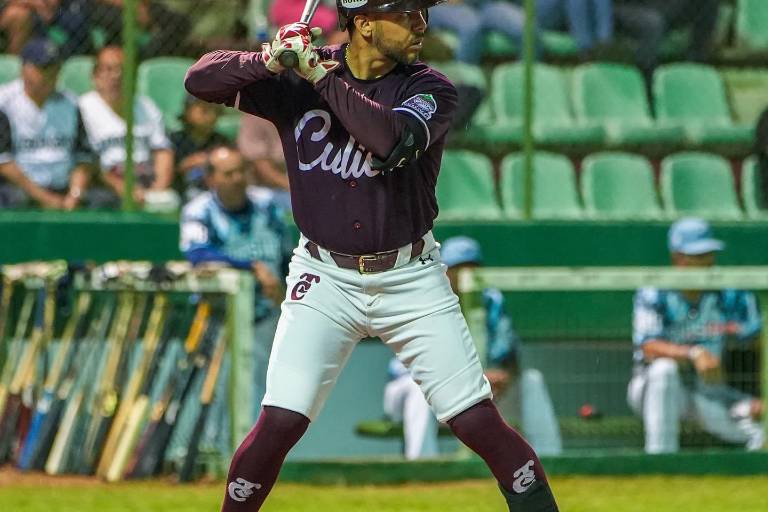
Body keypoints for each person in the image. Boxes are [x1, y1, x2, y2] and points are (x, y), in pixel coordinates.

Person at [185, 0, 559, 510]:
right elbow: (199, 80)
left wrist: (318, 76)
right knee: (280, 422)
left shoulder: (430, 87)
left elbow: (390, 139)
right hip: (324, 275)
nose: (420, 24)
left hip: (410, 275)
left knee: (475, 420)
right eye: (404, 14)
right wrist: (267, 59)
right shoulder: (300, 78)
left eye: (420, 12)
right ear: (363, 23)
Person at [384, 236, 562, 459]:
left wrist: (503, 375)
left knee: (531, 380)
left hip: (473, 392)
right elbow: (414, 367)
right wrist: (469, 377)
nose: (465, 275)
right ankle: (422, 465)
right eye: (458, 268)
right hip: (414, 394)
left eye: (472, 268)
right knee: (418, 389)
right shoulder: (425, 299)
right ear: (443, 270)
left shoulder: (491, 300)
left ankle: (550, 460)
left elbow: (509, 354)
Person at [627, 218, 765, 454]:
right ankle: (661, 461)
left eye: (709, 255)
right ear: (678, 259)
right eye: (698, 256)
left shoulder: (728, 294)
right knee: (665, 371)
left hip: (709, 392)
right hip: (651, 389)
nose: (706, 263)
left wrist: (761, 397)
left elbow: (757, 336)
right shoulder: (655, 292)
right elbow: (647, 345)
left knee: (762, 434)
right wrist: (694, 353)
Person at [180, 145, 290, 424]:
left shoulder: (267, 205)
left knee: (267, 392)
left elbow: (289, 255)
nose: (238, 179)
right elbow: (197, 254)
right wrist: (251, 267)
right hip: (217, 319)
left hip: (265, 314)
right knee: (212, 395)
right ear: (211, 178)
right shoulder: (199, 210)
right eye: (228, 174)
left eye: (241, 171)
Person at [79, 45, 176, 210]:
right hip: (106, 185)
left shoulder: (146, 107)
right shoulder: (83, 108)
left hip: (146, 180)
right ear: (95, 76)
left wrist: (158, 189)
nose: (116, 76)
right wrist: (123, 189)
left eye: (122, 70)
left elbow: (163, 151)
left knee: (170, 202)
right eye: (108, 69)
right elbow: (89, 164)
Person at [0, 37, 93, 209]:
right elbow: (3, 163)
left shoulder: (71, 104)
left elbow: (84, 158)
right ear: (24, 69)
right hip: (18, 188)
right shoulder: (4, 103)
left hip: (63, 187)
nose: (51, 74)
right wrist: (46, 199)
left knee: (102, 201)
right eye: (43, 68)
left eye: (55, 68)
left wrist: (75, 195)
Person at [613, 0, 720, 80]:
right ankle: (646, 83)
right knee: (653, 24)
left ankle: (694, 68)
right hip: (625, 6)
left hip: (658, 6)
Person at [171, 93, 230, 202]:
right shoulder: (173, 141)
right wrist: (184, 166)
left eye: (215, 111)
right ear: (187, 111)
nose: (210, 116)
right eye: (204, 110)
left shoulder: (221, 142)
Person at [236, 114, 290, 209]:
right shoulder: (254, 117)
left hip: (296, 183)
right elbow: (261, 167)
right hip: (266, 191)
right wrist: (295, 188)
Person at [0, 0, 91, 56]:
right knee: (16, 14)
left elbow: (50, 10)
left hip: (63, 23)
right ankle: (14, 64)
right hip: (35, 20)